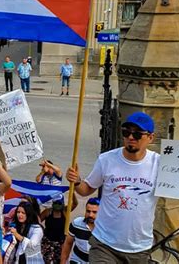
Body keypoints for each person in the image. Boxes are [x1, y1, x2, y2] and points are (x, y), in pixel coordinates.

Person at [66, 112, 159, 263]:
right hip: (105, 244)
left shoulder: (159, 164)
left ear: (150, 137)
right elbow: (86, 190)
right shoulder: (107, 159)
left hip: (139, 248)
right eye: (126, 132)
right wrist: (76, 181)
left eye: (137, 134)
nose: (130, 137)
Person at [61, 198, 100, 264]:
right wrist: (63, 261)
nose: (90, 215)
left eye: (94, 212)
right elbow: (68, 243)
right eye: (88, 211)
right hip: (77, 260)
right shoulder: (76, 224)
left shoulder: (106, 229)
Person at [41, 195, 78, 264]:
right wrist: (41, 231)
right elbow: (38, 221)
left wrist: (73, 192)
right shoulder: (48, 212)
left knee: (60, 261)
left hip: (61, 243)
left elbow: (75, 204)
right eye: (56, 203)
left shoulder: (65, 211)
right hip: (48, 242)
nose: (57, 205)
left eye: (59, 203)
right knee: (48, 261)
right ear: (53, 203)